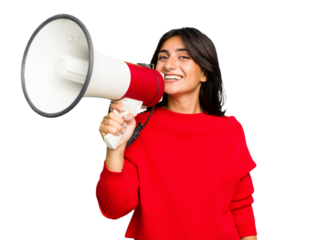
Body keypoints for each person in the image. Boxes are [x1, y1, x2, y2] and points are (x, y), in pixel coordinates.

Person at [96, 25, 258, 240]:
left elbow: (242, 206)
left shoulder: (231, 130)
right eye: (163, 57)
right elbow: (115, 210)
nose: (169, 65)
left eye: (183, 57)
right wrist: (114, 149)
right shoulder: (138, 126)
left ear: (204, 72)